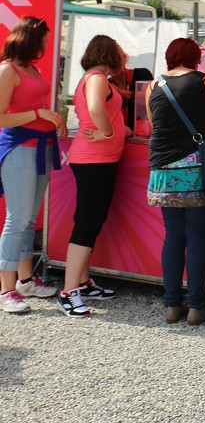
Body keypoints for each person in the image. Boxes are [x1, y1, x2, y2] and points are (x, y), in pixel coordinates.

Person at [145, 37, 205, 325]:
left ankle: (171, 306)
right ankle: (196, 307)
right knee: (196, 236)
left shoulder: (152, 86)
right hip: (194, 168)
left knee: (173, 235)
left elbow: (156, 126)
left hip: (162, 170)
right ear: (196, 57)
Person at [57, 35, 129, 317]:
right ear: (109, 54)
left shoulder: (96, 77)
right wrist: (108, 132)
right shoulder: (97, 79)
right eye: (120, 52)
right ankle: (69, 291)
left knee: (89, 220)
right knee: (87, 223)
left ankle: (82, 282)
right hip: (94, 159)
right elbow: (97, 109)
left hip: (96, 159)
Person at [0, 17, 65, 313]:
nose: (46, 46)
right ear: (31, 39)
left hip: (41, 148)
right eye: (44, 40)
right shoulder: (7, 71)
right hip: (19, 150)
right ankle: (6, 289)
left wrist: (50, 117)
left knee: (28, 219)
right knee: (17, 220)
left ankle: (25, 280)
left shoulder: (30, 69)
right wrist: (39, 113)